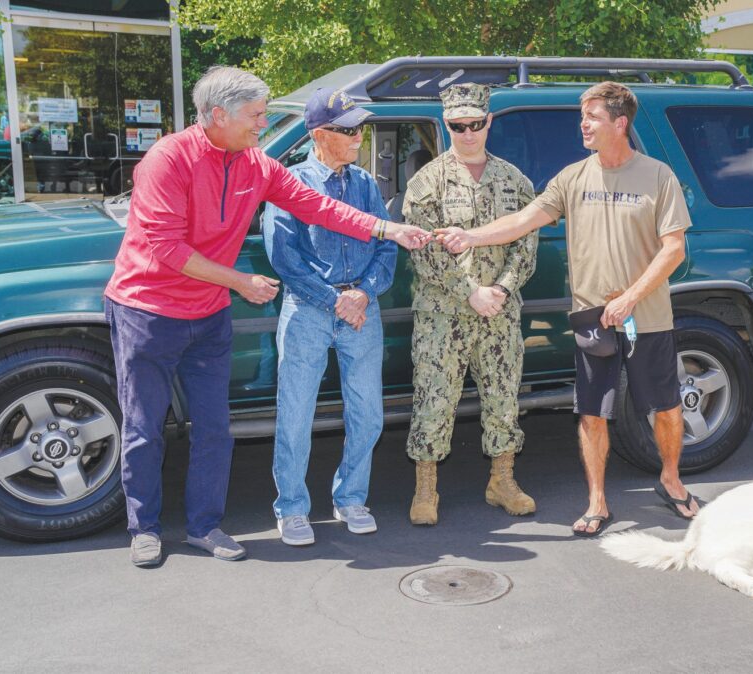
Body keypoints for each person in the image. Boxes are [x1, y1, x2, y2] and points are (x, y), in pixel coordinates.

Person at [104, 66, 430, 568]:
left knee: (214, 429)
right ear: (218, 115)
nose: (262, 124)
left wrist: (387, 229)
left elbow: (317, 206)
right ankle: (144, 528)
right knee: (145, 427)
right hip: (150, 310)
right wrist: (239, 281)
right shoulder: (167, 160)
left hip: (208, 313)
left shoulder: (254, 163)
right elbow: (166, 247)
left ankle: (204, 527)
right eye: (256, 115)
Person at [437, 81, 698, 537]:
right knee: (592, 411)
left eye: (592, 117)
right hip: (591, 317)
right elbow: (523, 219)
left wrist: (631, 297)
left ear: (620, 123)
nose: (583, 124)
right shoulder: (573, 177)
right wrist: (472, 236)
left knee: (666, 407)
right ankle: (598, 499)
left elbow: (673, 249)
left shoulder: (658, 176)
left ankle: (671, 479)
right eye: (584, 116)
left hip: (647, 316)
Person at [263, 88, 396, 545]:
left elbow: (385, 244)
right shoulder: (289, 183)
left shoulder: (364, 184)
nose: (360, 135)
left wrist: (363, 293)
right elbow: (284, 258)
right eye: (349, 129)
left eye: (361, 127)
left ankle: (351, 498)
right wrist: (333, 299)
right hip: (308, 312)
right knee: (296, 414)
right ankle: (293, 508)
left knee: (368, 413)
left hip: (361, 310)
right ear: (320, 134)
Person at [403, 83, 539, 526]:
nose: (467, 133)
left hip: (499, 313)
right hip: (444, 316)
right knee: (434, 401)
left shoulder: (514, 180)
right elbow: (425, 251)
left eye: (475, 124)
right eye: (457, 126)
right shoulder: (427, 182)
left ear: (488, 122)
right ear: (446, 125)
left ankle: (502, 481)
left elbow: (526, 243)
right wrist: (470, 292)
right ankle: (426, 489)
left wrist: (499, 288)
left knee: (503, 398)